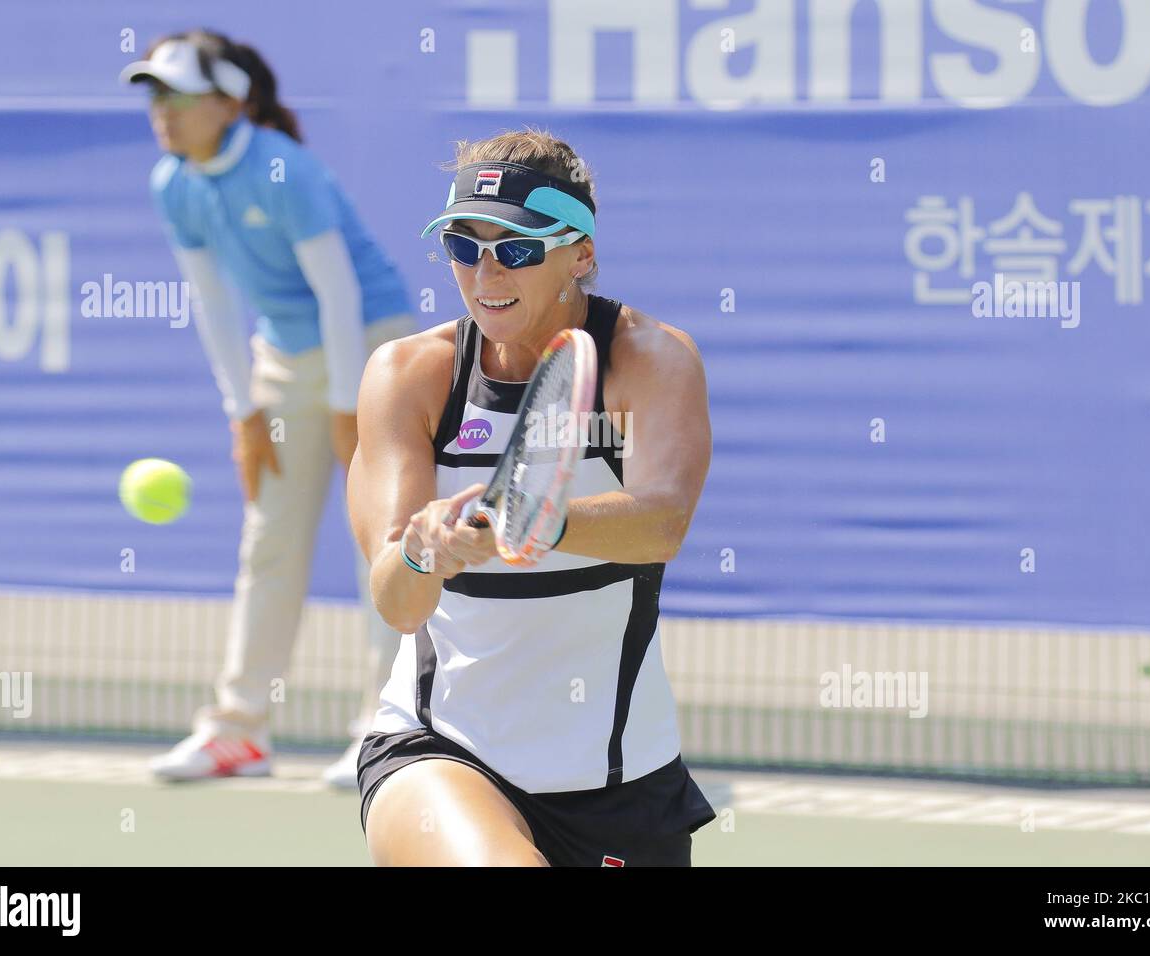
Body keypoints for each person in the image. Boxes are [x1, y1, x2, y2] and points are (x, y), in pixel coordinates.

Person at [347, 128, 716, 865]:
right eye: (464, 245)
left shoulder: (649, 360)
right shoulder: (409, 376)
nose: (486, 270)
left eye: (515, 247)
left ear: (580, 253)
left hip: (622, 780)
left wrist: (529, 521)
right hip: (441, 752)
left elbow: (660, 525)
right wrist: (425, 550)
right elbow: (397, 603)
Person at [120, 29, 413, 786]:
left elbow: (340, 292)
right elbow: (212, 300)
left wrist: (351, 407)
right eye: (155, 96)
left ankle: (384, 730)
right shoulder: (172, 183)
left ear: (229, 101)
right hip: (282, 358)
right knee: (269, 542)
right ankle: (238, 731)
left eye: (180, 96)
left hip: (372, 344)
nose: (164, 113)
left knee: (374, 541)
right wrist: (243, 411)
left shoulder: (285, 170)